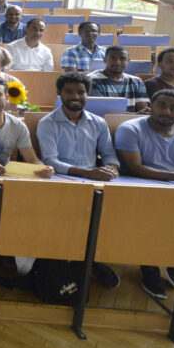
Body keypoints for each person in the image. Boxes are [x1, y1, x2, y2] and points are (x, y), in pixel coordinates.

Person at [114, 89, 174, 299]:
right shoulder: (130, 129)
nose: (167, 111)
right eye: (162, 105)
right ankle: (149, 266)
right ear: (151, 107)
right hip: (139, 187)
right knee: (154, 214)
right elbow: (135, 167)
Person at [36, 72, 121, 289]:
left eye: (81, 92)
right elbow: (50, 161)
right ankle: (79, 263)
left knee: (108, 219)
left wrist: (111, 168)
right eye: (69, 91)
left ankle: (91, 259)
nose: (76, 96)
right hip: (60, 182)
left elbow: (109, 154)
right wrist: (86, 173)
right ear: (59, 93)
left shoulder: (98, 123)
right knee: (67, 222)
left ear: (88, 93)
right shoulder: (47, 123)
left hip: (94, 183)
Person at [88, 45, 149, 112]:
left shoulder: (137, 81)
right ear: (104, 60)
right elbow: (100, 111)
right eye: (113, 58)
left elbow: (143, 110)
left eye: (122, 59)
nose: (117, 62)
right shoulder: (93, 80)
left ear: (128, 61)